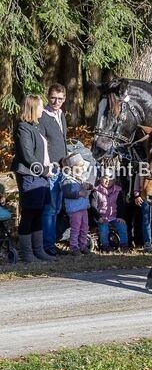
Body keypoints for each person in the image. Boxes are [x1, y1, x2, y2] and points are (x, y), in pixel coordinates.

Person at [12, 95, 56, 263]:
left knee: (39, 213)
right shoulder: (23, 128)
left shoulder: (35, 127)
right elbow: (27, 156)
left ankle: (39, 250)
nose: (42, 110)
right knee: (29, 214)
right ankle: (27, 253)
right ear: (32, 108)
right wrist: (44, 171)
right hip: (30, 176)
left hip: (42, 176)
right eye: (40, 107)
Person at [39, 83, 68, 257]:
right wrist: (47, 166)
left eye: (60, 98)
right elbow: (42, 144)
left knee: (57, 208)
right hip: (51, 169)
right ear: (48, 97)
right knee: (49, 208)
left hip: (63, 167)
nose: (56, 101)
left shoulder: (61, 114)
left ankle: (52, 242)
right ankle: (47, 245)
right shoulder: (43, 116)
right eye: (53, 98)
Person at [61, 153, 93, 256]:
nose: (83, 168)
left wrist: (89, 187)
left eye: (83, 166)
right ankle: (74, 247)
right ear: (72, 168)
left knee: (85, 227)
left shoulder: (81, 178)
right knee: (76, 227)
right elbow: (66, 193)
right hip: (74, 209)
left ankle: (82, 245)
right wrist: (78, 193)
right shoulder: (67, 179)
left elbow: (89, 187)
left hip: (83, 207)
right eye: (80, 166)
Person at [93, 168, 129, 252]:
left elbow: (121, 205)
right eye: (105, 178)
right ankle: (105, 245)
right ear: (101, 178)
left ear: (114, 180)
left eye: (111, 179)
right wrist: (99, 217)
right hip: (101, 217)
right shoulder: (96, 191)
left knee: (122, 226)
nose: (108, 181)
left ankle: (124, 245)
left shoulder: (118, 190)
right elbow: (93, 206)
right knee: (104, 228)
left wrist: (120, 217)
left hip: (114, 216)